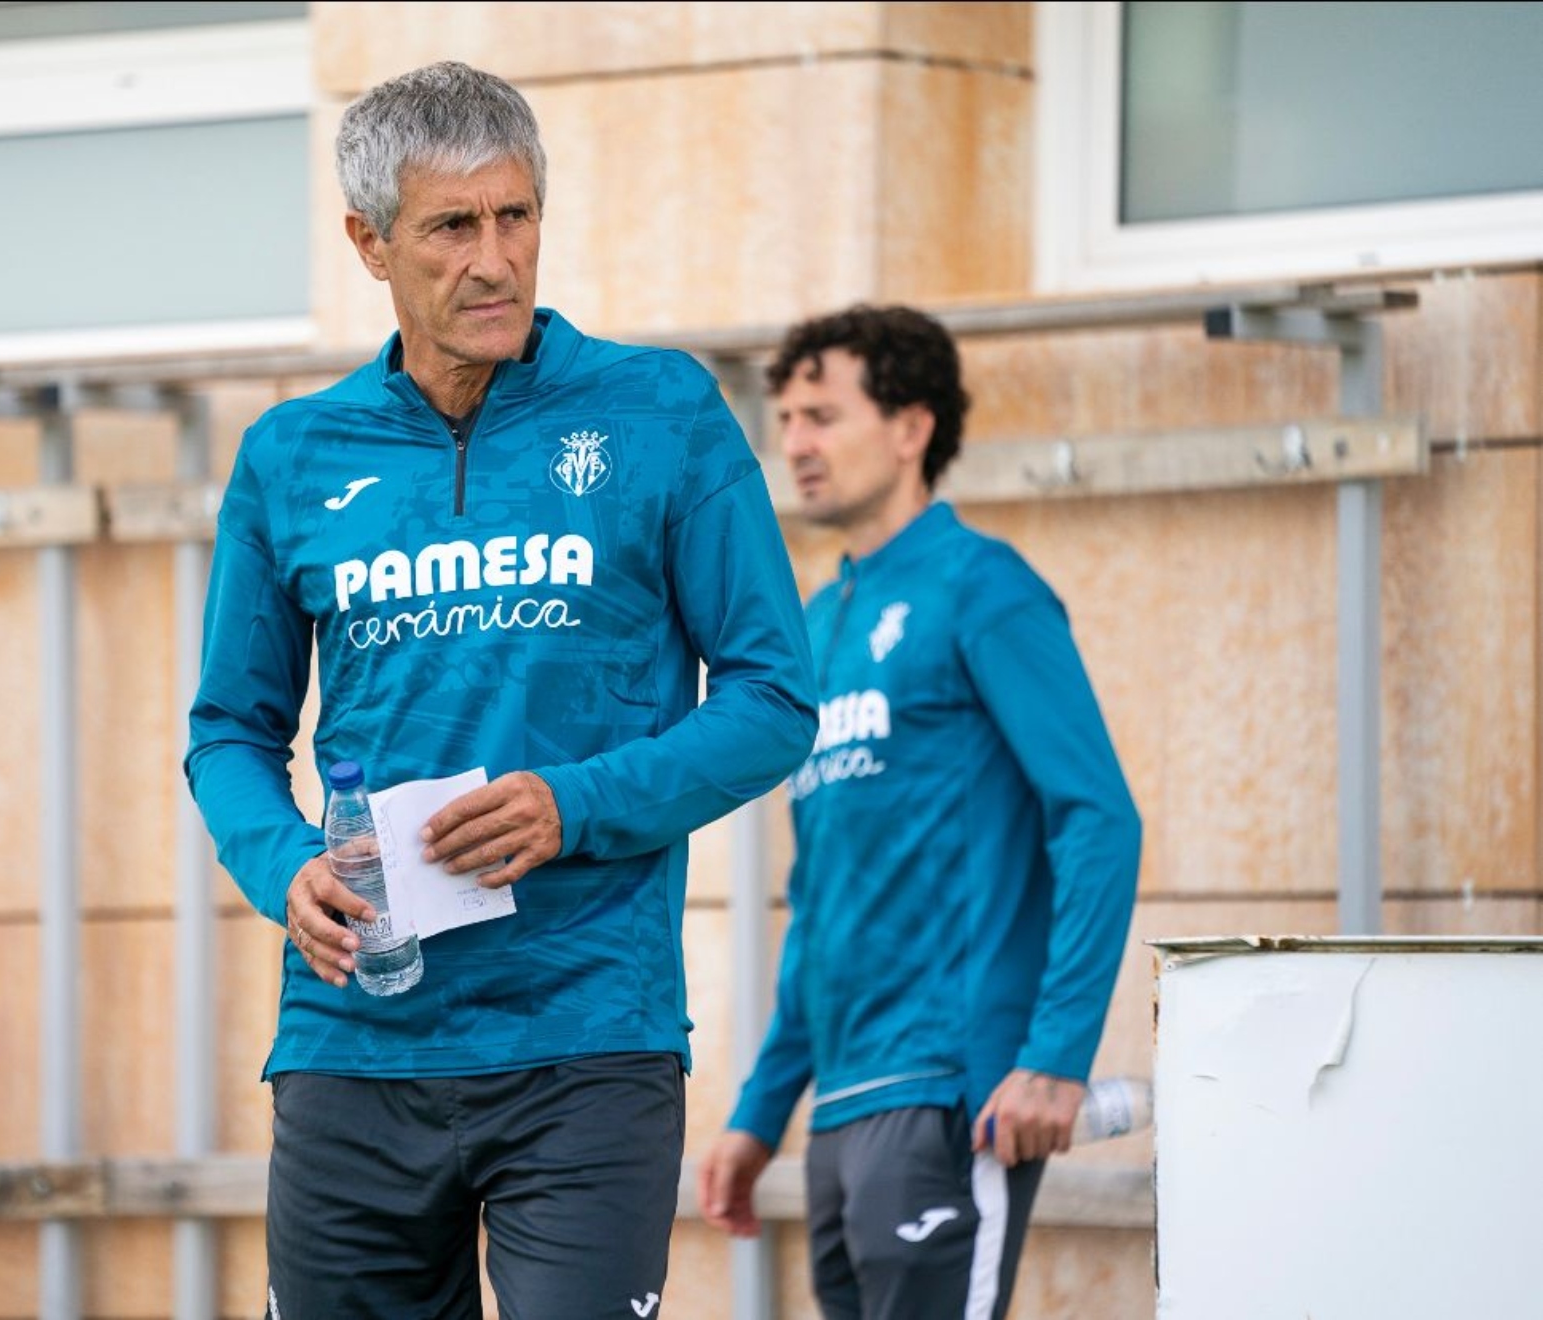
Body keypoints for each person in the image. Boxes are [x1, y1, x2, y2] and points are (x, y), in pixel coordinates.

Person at [184, 60, 817, 1320]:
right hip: (353, 1038)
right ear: (370, 243)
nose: (495, 261)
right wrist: (282, 867)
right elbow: (229, 735)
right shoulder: (290, 455)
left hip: (587, 1035)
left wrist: (574, 806)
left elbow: (773, 699)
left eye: (515, 215)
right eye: (451, 227)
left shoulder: (662, 412)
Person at [698, 305, 1142, 1320]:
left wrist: (1053, 1059)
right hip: (841, 1110)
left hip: (952, 1091)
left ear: (910, 428)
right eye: (786, 419)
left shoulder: (985, 588)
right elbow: (821, 902)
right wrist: (762, 1111)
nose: (794, 443)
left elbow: (1099, 819)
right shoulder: (816, 625)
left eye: (822, 416)